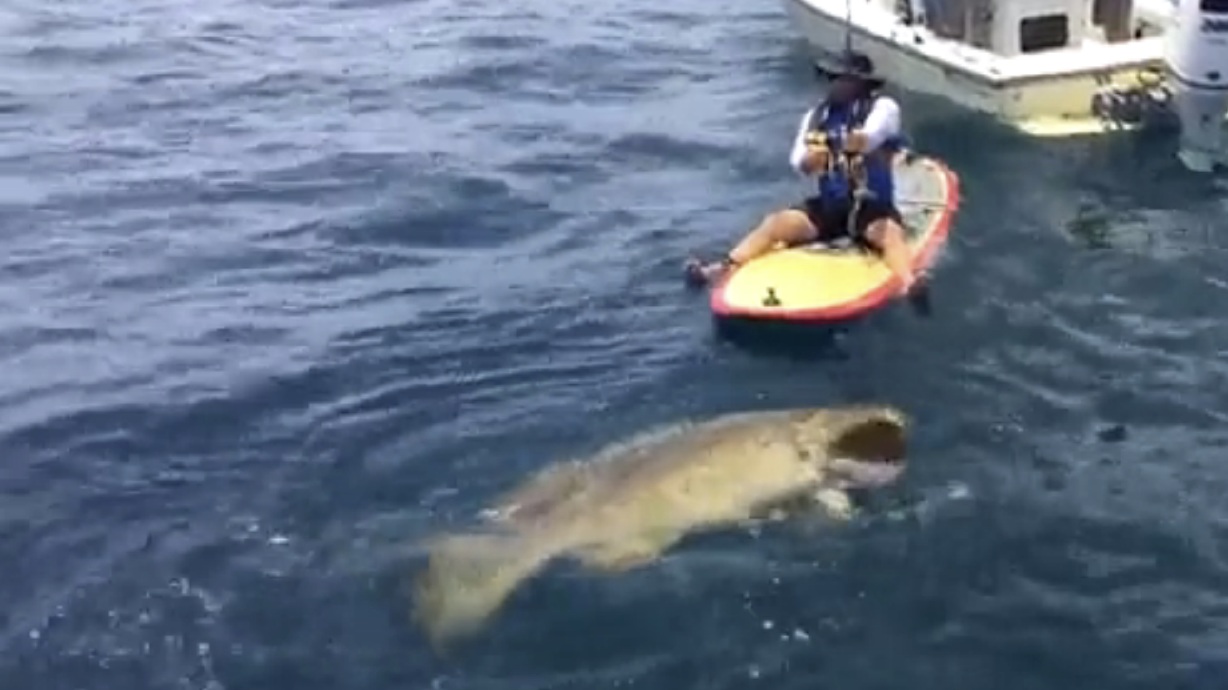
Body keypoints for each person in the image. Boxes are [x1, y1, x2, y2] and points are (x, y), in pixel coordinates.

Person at [685, 50, 925, 305]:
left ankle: (909, 285)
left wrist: (848, 143)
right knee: (777, 223)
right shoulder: (815, 117)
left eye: (841, 79)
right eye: (832, 78)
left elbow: (871, 136)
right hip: (832, 207)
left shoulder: (883, 108)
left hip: (871, 207)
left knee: (888, 235)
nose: (833, 84)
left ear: (860, 84)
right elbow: (798, 160)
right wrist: (811, 161)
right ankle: (721, 268)